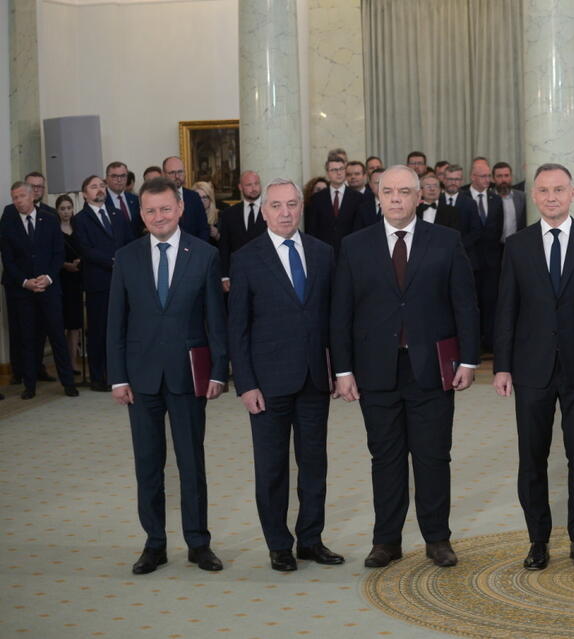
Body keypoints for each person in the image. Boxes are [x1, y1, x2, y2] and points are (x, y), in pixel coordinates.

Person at [331, 165, 479, 569]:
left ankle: (437, 539)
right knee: (386, 457)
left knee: (433, 456)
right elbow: (341, 313)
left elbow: (464, 304)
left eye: (405, 192)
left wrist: (467, 359)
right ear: (378, 197)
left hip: (431, 369)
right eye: (388, 191)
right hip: (375, 371)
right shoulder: (354, 245)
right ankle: (386, 541)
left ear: (419, 197)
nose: (396, 199)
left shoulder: (446, 241)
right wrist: (342, 370)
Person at [493, 163, 574, 570]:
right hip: (531, 368)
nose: (551, 197)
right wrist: (502, 366)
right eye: (544, 191)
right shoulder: (517, 245)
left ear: (571, 195)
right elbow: (506, 311)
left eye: (559, 190)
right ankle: (537, 541)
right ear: (535, 196)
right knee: (532, 458)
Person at [107, 177, 228, 575]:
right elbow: (115, 324)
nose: (158, 216)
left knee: (192, 462)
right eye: (150, 210)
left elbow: (215, 319)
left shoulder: (205, 255)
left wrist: (218, 371)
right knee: (148, 463)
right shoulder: (126, 257)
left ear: (179, 209)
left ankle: (198, 542)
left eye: (165, 208)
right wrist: (117, 377)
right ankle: (154, 543)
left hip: (188, 374)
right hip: (140, 379)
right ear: (141, 214)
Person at [228, 178, 343, 572]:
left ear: (301, 208)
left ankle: (310, 539)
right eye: (276, 205)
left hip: (313, 378)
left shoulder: (323, 253)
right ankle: (278, 544)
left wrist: (340, 371)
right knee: (272, 468)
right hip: (267, 382)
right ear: (263, 212)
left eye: (292, 204)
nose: (285, 212)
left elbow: (335, 320)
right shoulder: (246, 258)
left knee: (314, 464)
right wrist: (245, 383)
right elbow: (237, 328)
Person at [0, 182, 78, 399]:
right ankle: (30, 386)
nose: (18, 201)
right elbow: (8, 260)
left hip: (49, 289)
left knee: (57, 337)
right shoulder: (9, 224)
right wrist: (26, 282)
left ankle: (68, 384)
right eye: (14, 197)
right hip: (24, 292)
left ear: (32, 196)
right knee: (28, 339)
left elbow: (58, 253)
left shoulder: (50, 220)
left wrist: (49, 278)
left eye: (21, 196)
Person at [72, 175, 135, 392]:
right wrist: (113, 261)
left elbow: (130, 242)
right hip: (98, 282)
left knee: (122, 328)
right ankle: (98, 376)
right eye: (93, 186)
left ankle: (120, 374)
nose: (99, 189)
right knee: (99, 331)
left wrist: (125, 262)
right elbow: (85, 249)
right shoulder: (80, 219)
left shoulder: (118, 215)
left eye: (101, 186)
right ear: (84, 194)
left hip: (122, 281)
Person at [463, 157, 504, 352]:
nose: (488, 180)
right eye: (483, 176)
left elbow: (498, 229)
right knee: (471, 302)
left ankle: (490, 342)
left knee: (491, 302)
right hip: (469, 260)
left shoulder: (495, 199)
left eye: (489, 176)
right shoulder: (463, 197)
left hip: (491, 262)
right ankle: (474, 343)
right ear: (473, 177)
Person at [304, 157, 365, 255]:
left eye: (341, 169)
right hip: (323, 252)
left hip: (350, 251)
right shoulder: (317, 198)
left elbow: (359, 228)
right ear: (327, 173)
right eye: (334, 170)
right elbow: (312, 229)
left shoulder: (358, 198)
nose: (339, 173)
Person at [219, 171, 266, 293]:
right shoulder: (229, 214)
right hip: (238, 275)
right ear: (240, 187)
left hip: (265, 272)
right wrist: (224, 276)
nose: (254, 188)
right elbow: (224, 246)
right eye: (249, 185)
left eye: (256, 184)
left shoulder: (270, 210)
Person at [56, 195, 83, 373]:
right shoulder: (53, 229)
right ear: (57, 210)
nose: (66, 212)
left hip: (77, 280)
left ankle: (73, 362)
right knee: (61, 324)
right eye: (62, 208)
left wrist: (80, 261)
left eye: (68, 208)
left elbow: (86, 247)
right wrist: (65, 265)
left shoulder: (78, 227)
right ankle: (63, 364)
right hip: (59, 281)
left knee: (75, 325)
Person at [162, 156, 210, 242]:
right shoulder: (157, 198)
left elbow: (203, 228)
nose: (177, 176)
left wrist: (197, 250)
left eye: (180, 172)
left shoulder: (194, 197)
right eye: (172, 173)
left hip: (194, 250)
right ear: (164, 174)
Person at [492, 162, 527, 241]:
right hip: (495, 247)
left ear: (511, 177)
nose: (503, 179)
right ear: (493, 178)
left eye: (506, 175)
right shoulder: (488, 198)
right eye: (499, 176)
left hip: (517, 244)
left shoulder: (522, 197)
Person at [105, 161, 142, 233]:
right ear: (106, 178)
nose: (119, 180)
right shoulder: (101, 201)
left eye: (123, 176)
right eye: (114, 176)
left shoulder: (135, 199)